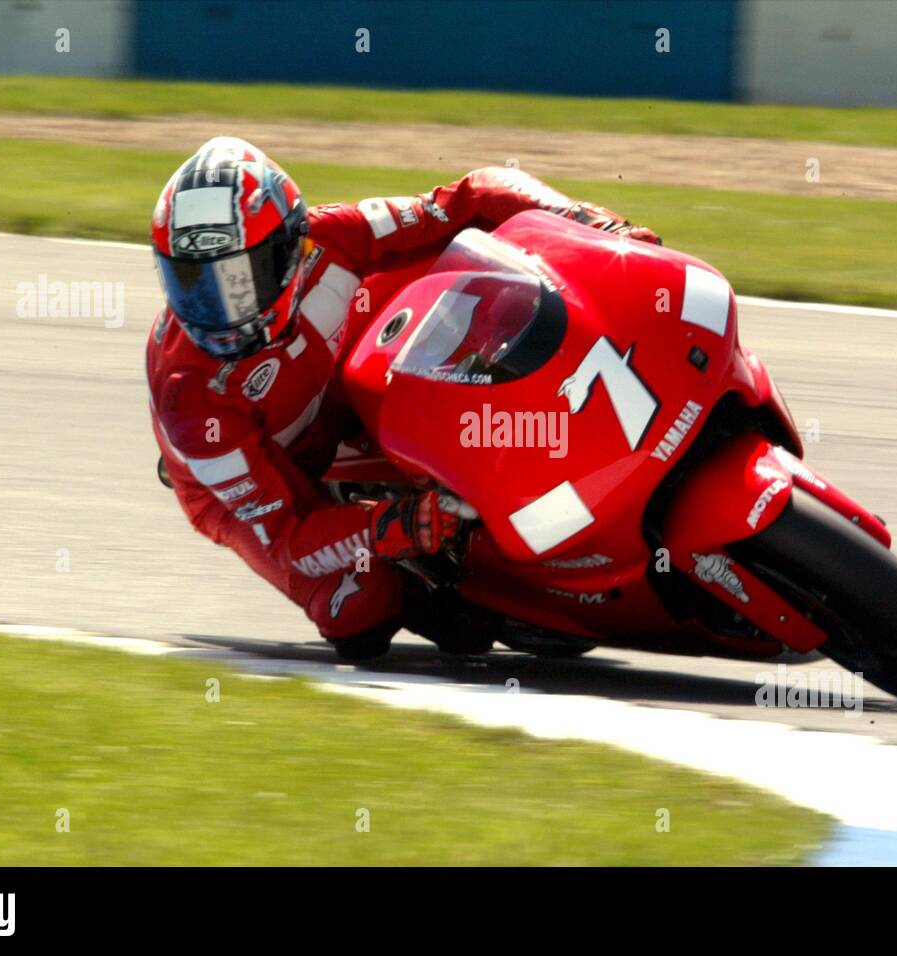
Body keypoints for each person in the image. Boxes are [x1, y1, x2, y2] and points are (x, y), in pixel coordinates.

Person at [146, 136, 657, 659]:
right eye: (193, 284)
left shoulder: (328, 236)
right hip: (253, 479)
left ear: (289, 247)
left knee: (464, 266)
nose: (217, 309)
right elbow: (292, 539)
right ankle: (441, 588)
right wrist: (393, 527)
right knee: (363, 610)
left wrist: (591, 225)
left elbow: (470, 198)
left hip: (333, 384)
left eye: (238, 279)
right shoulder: (190, 397)